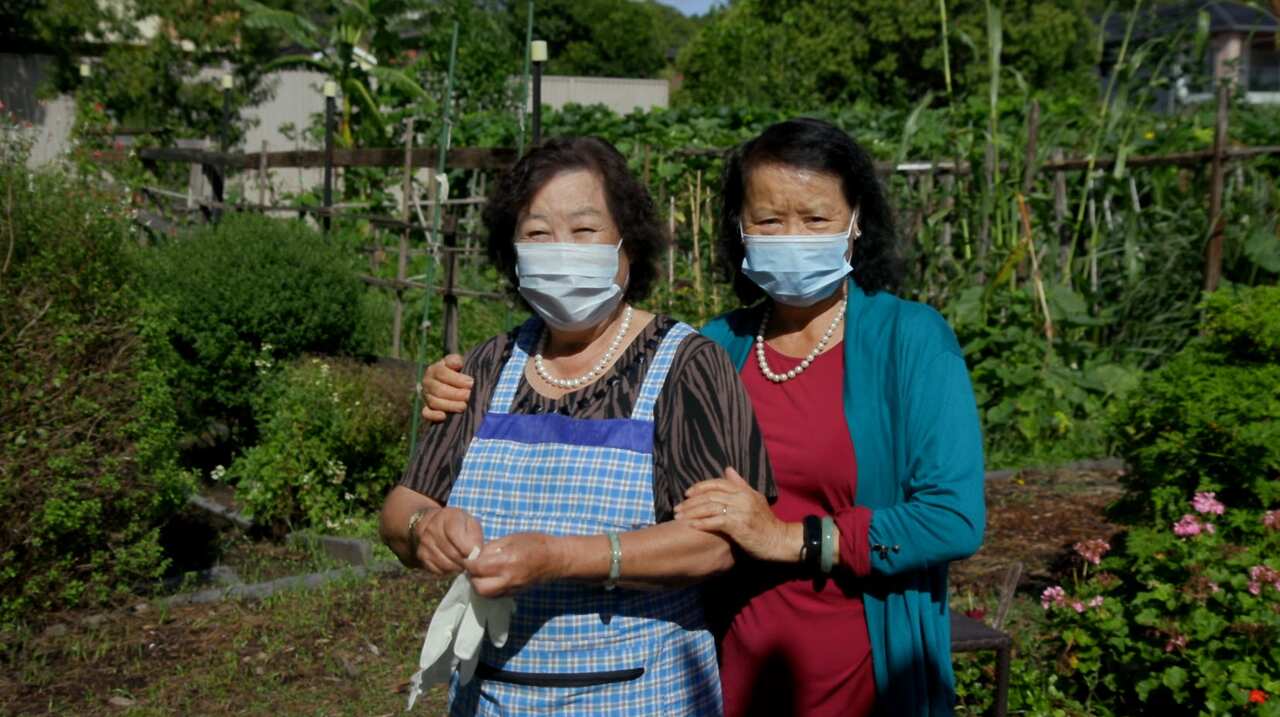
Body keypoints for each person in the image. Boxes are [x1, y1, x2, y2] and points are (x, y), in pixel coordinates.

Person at [416, 118, 986, 716]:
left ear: (855, 222)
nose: (791, 235)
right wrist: (457, 388)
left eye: (814, 219)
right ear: (740, 230)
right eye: (768, 220)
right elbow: (593, 392)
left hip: (863, 667)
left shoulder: (911, 341)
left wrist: (789, 538)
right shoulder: (719, 348)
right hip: (722, 664)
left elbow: (951, 519)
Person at [380, 136, 774, 717]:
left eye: (585, 230)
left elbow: (714, 544)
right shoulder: (489, 365)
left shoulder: (685, 365)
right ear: (512, 252)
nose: (561, 250)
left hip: (640, 695)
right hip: (491, 696)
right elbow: (400, 510)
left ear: (626, 244)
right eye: (538, 234)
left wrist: (561, 557)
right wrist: (424, 527)